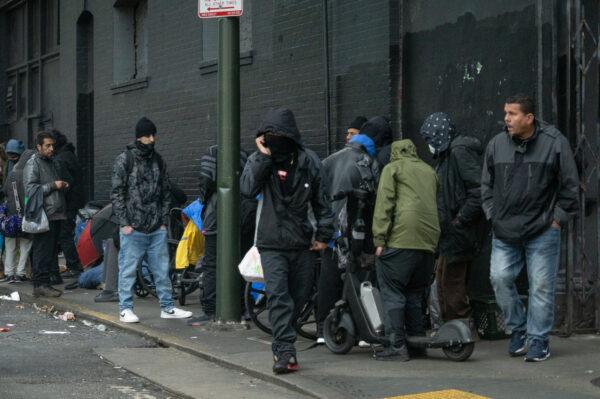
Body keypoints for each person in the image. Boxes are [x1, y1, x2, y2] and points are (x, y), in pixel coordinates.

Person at [482, 95, 579, 362]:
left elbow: (570, 185)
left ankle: (539, 340)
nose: (506, 119)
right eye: (506, 113)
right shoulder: (496, 144)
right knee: (499, 278)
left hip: (542, 229)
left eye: (512, 114)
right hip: (505, 229)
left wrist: (557, 218)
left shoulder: (554, 143)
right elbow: (486, 186)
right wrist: (492, 214)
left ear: (529, 118)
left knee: (541, 286)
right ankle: (518, 330)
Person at [241, 108, 334, 374]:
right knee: (279, 297)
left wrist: (324, 236)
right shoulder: (260, 161)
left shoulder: (308, 161)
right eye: (268, 136)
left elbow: (322, 201)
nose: (274, 140)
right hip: (271, 245)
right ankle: (285, 352)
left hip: (303, 244)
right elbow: (247, 189)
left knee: (299, 297)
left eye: (278, 135)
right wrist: (262, 156)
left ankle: (283, 343)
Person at [111, 117, 192, 323]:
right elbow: (117, 193)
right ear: (140, 136)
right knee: (128, 270)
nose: (152, 139)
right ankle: (125, 308)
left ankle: (167, 307)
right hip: (133, 227)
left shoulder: (158, 160)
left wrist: (163, 221)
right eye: (148, 135)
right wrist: (125, 223)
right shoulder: (125, 159)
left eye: (153, 135)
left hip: (156, 226)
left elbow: (166, 192)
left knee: (162, 270)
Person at [372, 139, 440, 361]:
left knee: (393, 291)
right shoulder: (429, 170)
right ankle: (417, 344)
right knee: (414, 294)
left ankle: (396, 345)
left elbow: (385, 203)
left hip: (402, 238)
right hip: (428, 241)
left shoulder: (393, 168)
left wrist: (379, 238)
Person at [419, 113, 485, 323]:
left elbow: (478, 191)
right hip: (453, 232)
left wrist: (460, 220)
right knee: (445, 282)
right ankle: (455, 329)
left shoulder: (458, 152)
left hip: (458, 233)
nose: (428, 145)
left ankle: (460, 330)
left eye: (430, 139)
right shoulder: (448, 155)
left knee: (450, 284)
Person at [316, 125, 379, 343]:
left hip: (331, 229)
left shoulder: (330, 160)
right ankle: (361, 331)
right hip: (355, 230)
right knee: (357, 278)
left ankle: (323, 329)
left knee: (328, 278)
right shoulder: (366, 162)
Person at [187, 145, 255, 326]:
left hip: (219, 212)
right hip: (247, 213)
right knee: (240, 262)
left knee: (211, 263)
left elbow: (206, 180)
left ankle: (210, 310)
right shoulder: (245, 154)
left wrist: (203, 200)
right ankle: (242, 307)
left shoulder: (213, 152)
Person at [24, 132, 69, 297]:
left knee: (50, 251)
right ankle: (40, 284)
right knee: (42, 250)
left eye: (52, 145)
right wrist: (53, 185)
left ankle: (46, 282)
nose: (51, 148)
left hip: (55, 213)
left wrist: (62, 185)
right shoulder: (33, 164)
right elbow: (31, 190)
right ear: (39, 147)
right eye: (47, 145)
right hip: (43, 214)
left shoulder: (52, 162)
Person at [52, 130, 85, 278]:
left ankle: (74, 266)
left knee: (64, 235)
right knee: (67, 234)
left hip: (67, 203)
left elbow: (66, 184)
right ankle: (74, 265)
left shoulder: (60, 159)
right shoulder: (70, 155)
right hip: (75, 201)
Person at [2, 146, 34, 283]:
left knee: (10, 247)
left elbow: (5, 191)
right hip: (26, 216)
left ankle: (9, 273)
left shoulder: (11, 174)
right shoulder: (30, 175)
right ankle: (21, 273)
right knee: (25, 245)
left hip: (11, 216)